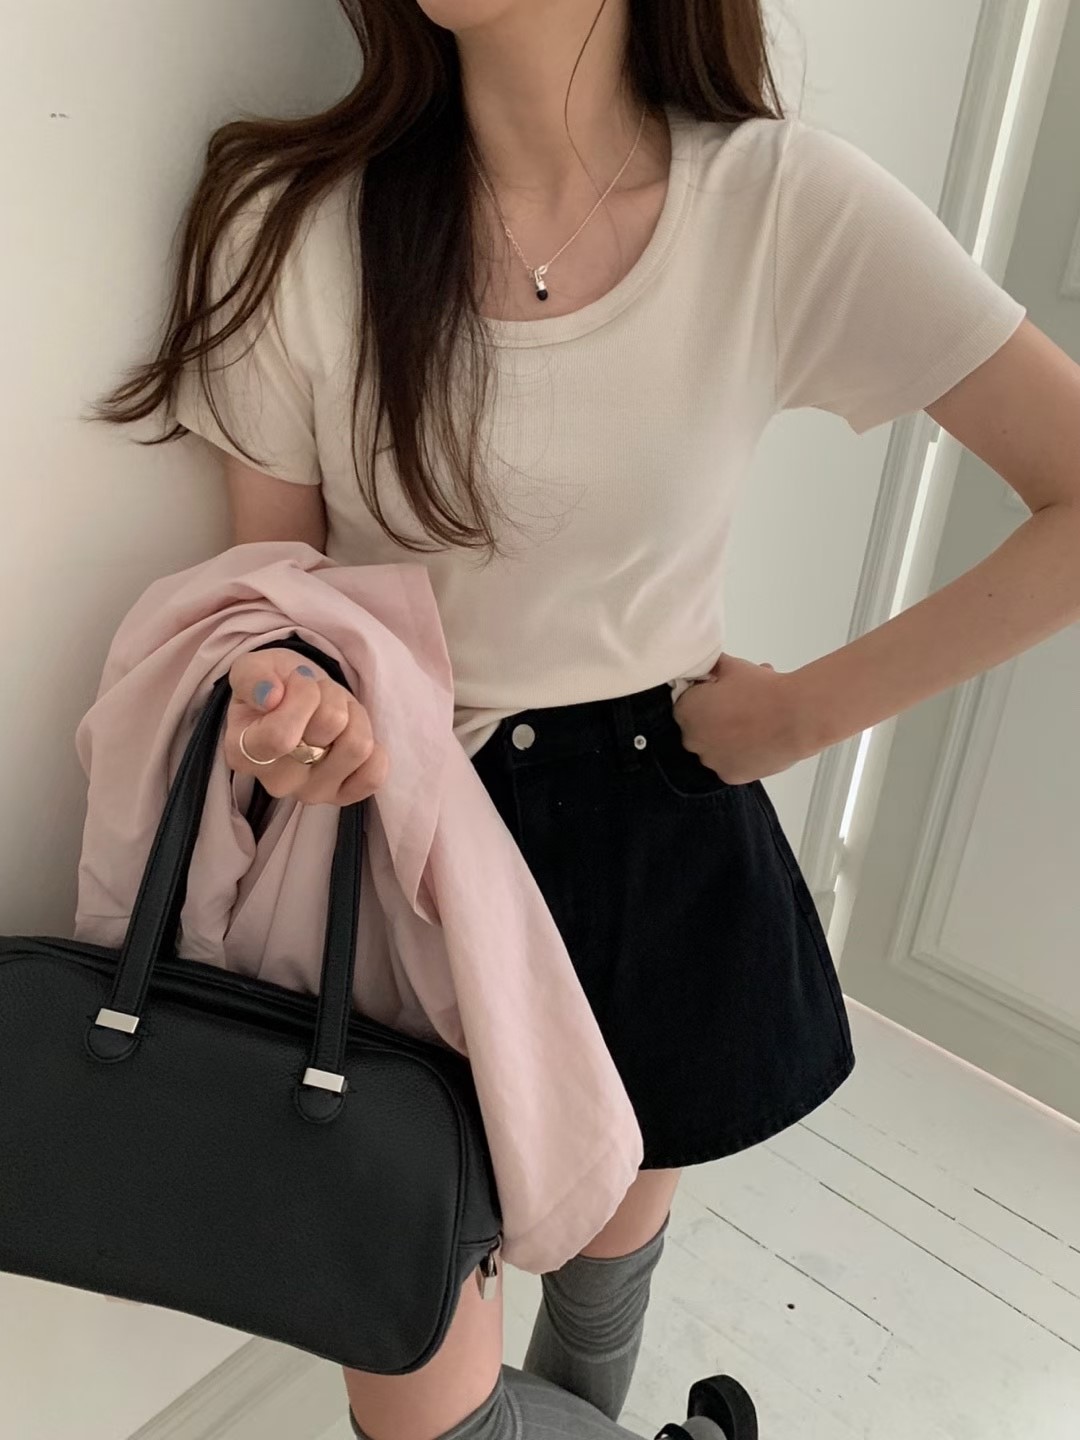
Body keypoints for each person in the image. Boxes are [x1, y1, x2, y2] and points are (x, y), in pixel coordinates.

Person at [97, 0, 1080, 1436]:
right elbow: (274, 597)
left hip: (652, 839)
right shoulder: (296, 223)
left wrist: (799, 719)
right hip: (407, 853)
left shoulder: (775, 203)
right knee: (422, 1398)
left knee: (605, 1275)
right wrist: (285, 705)